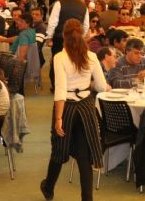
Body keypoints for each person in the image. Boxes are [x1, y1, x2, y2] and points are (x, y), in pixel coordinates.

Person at [40, 18, 108, 201]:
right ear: (83, 34)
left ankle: (48, 188)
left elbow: (60, 90)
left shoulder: (59, 57)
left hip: (67, 108)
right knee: (84, 156)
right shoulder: (92, 57)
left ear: (64, 36)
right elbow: (102, 86)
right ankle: (87, 198)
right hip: (86, 107)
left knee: (59, 149)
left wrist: (59, 118)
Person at [46, 0, 89, 91]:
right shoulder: (83, 6)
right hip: (76, 39)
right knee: (73, 61)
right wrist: (80, 36)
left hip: (60, 38)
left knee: (57, 61)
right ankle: (71, 85)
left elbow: (53, 22)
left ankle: (56, 86)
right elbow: (86, 25)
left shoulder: (59, 3)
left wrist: (49, 37)